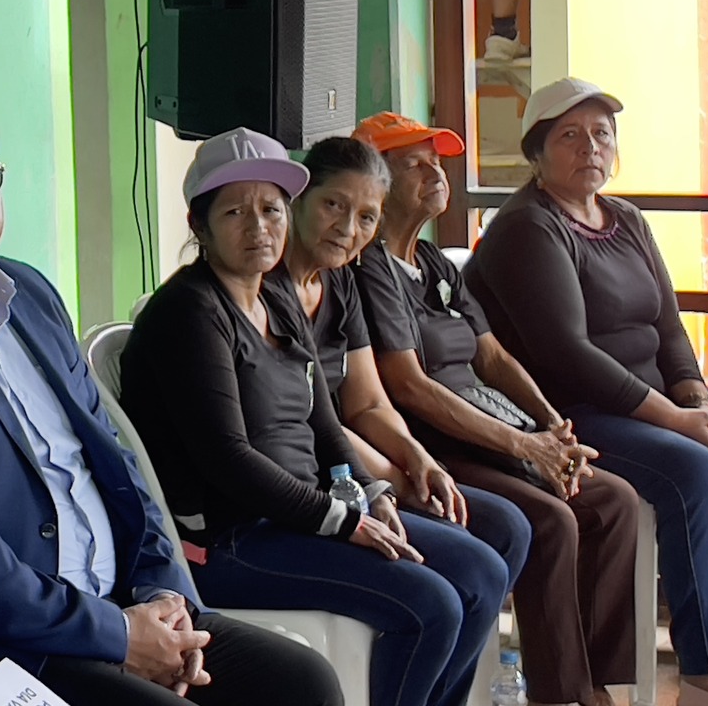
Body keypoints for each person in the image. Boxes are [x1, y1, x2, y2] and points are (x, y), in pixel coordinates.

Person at [0, 90, 340, 706]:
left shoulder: (28, 292)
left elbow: (115, 460)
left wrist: (163, 596)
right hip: (4, 643)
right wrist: (117, 636)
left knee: (302, 682)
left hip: (123, 605)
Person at [121, 127, 506, 706]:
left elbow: (323, 424)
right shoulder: (189, 312)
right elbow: (229, 460)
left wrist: (371, 493)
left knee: (481, 574)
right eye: (235, 212)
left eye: (271, 210)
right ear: (199, 224)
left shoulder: (274, 296)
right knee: (431, 606)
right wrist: (343, 522)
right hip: (230, 540)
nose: (259, 228)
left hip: (301, 517)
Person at [467, 77, 708, 706]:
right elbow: (568, 355)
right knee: (694, 469)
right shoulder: (527, 228)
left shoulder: (625, 219)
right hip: (571, 414)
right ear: (536, 153)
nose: (590, 147)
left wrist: (695, 398)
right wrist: (675, 420)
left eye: (601, 134)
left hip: (655, 406)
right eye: (569, 136)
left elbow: (668, 325)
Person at [353, 112, 638, 706]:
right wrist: (525, 445)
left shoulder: (434, 262)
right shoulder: (370, 268)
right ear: (375, 184)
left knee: (613, 501)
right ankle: (560, 695)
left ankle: (599, 683)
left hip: (500, 429)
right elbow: (408, 386)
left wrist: (551, 425)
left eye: (437, 161)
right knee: (551, 521)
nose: (436, 173)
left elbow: (492, 355)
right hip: (440, 443)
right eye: (415, 165)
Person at [260, 136, 533, 591]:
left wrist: (418, 459)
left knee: (507, 527)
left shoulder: (340, 281)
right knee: (472, 564)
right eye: (333, 205)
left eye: (366, 217)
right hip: (314, 474)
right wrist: (393, 483)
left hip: (358, 461)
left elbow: (368, 403)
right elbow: (315, 423)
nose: (347, 228)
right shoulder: (265, 290)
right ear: (298, 200)